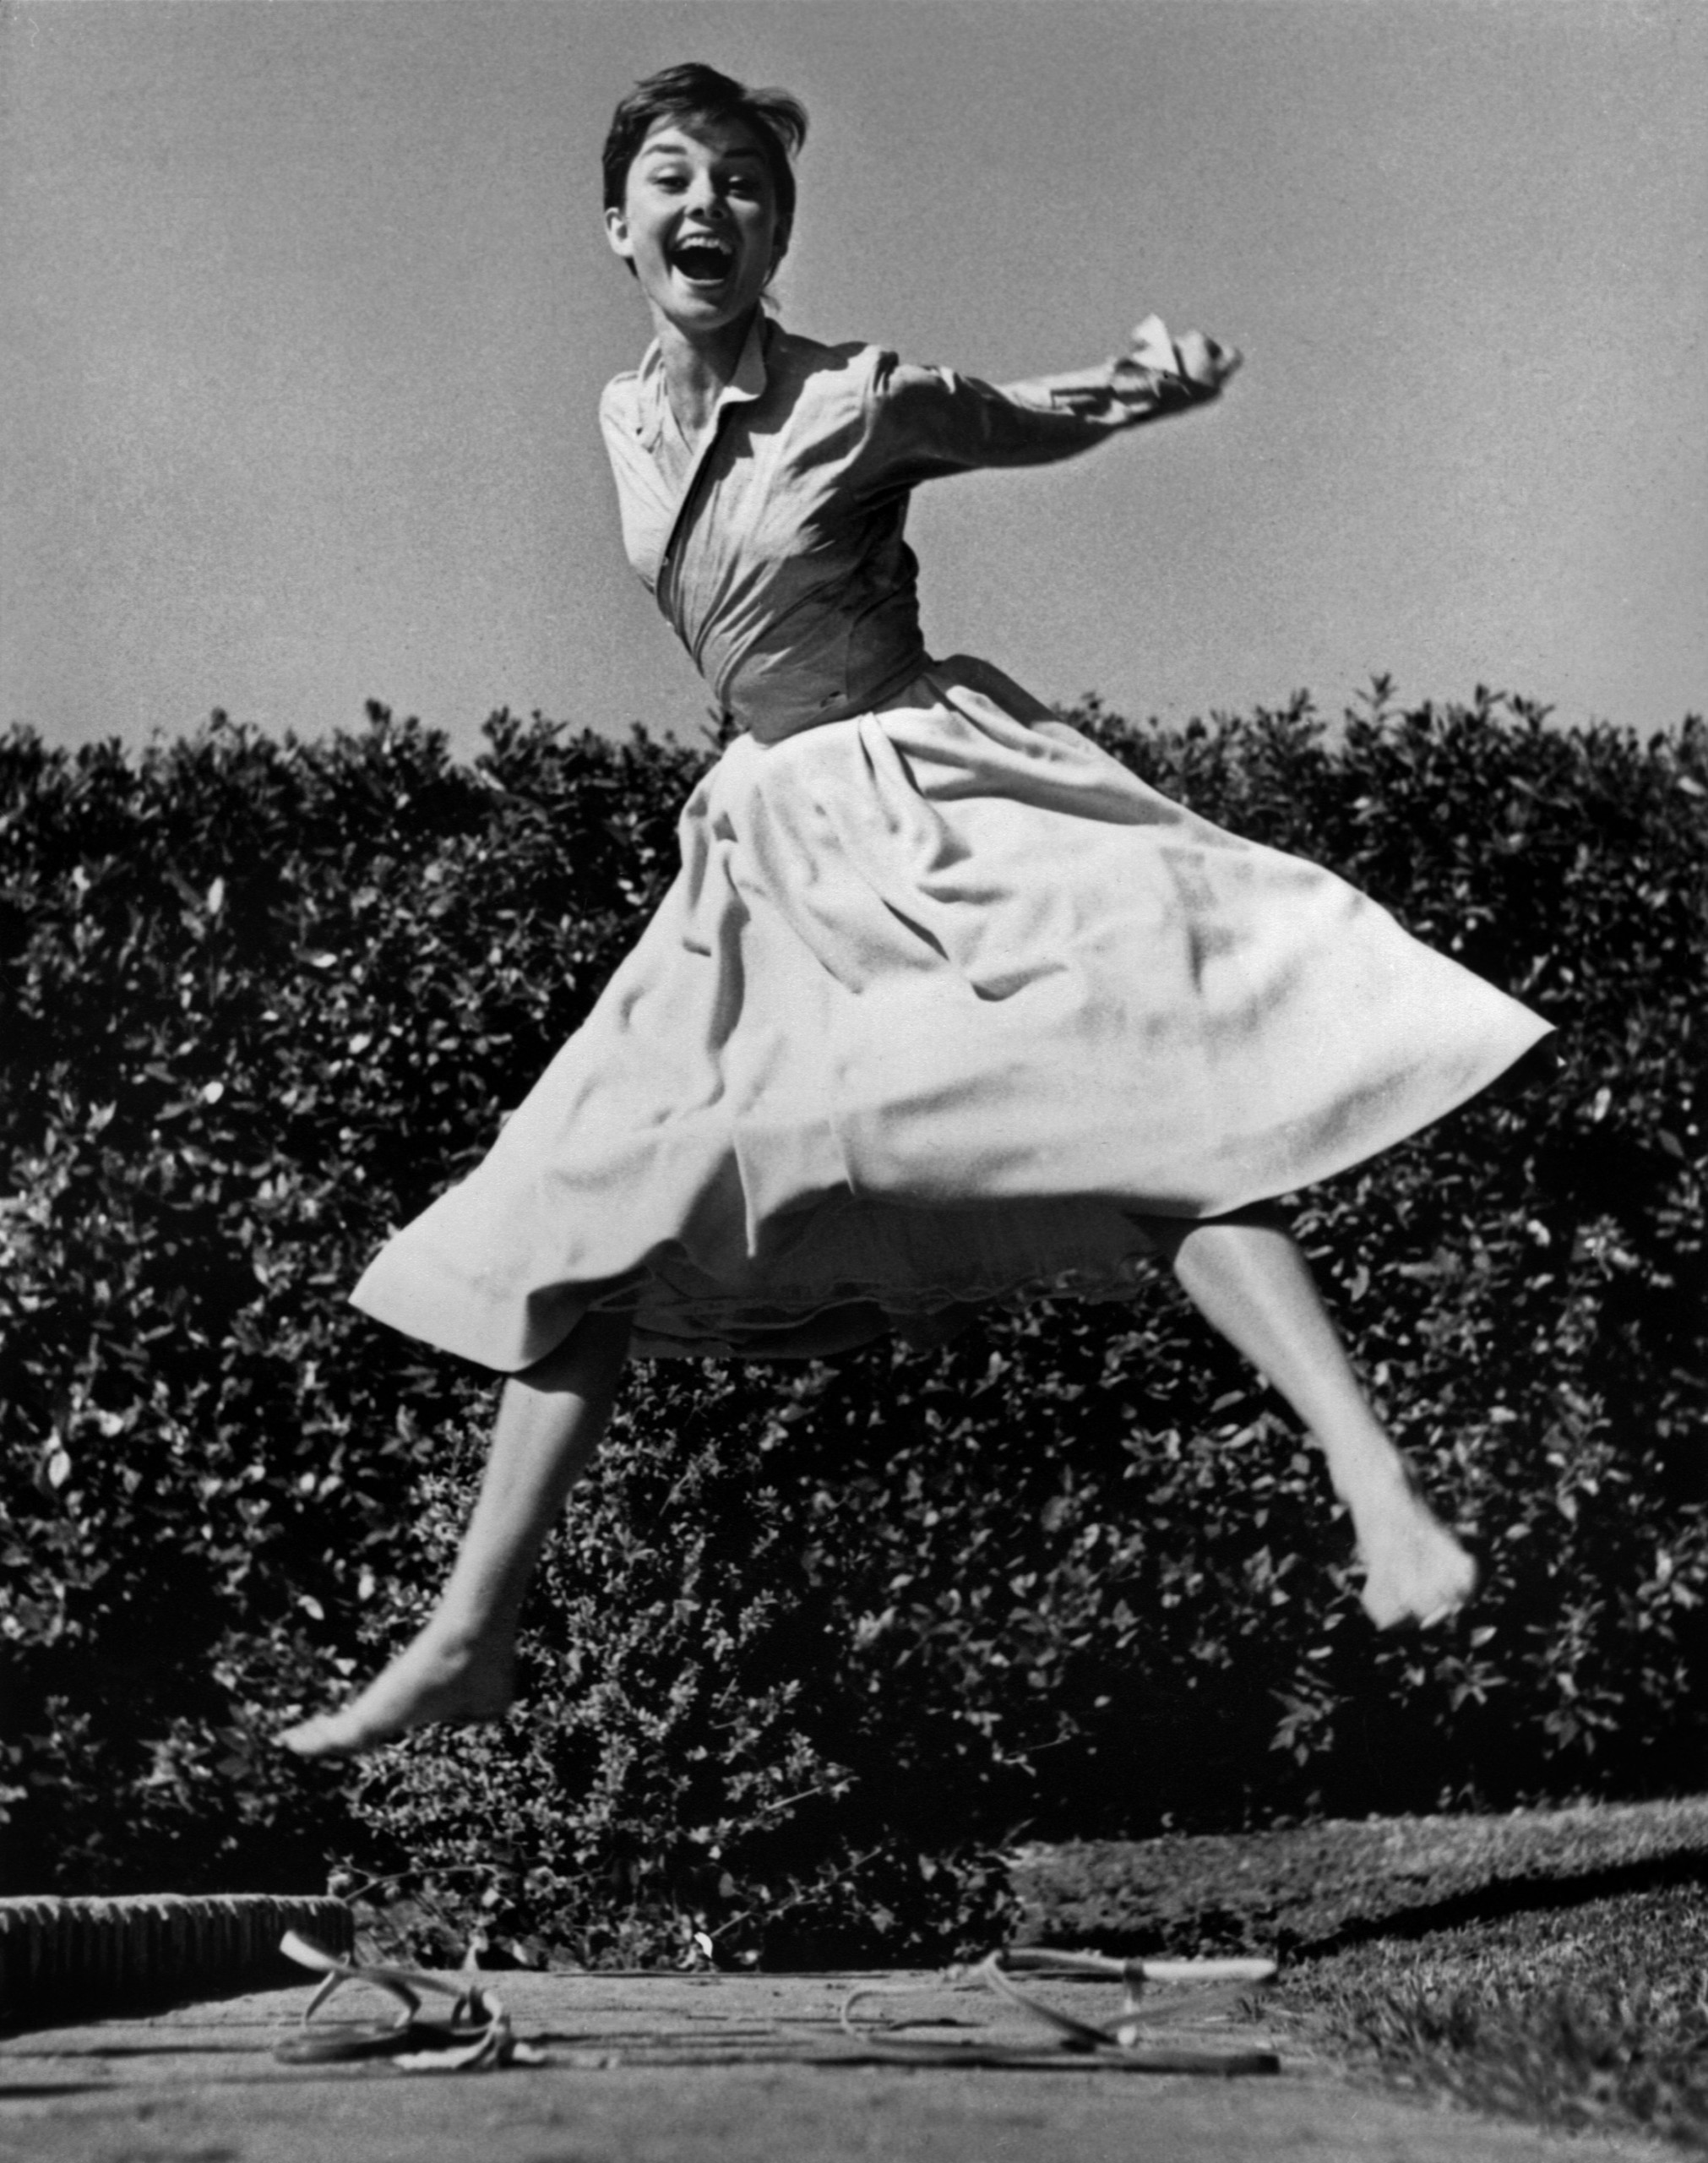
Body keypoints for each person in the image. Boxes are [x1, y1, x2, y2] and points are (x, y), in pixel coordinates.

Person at [280, 63, 1553, 1761]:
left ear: (779, 229)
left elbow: (1013, 414)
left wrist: (1141, 387)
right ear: (617, 229)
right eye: (674, 177)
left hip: (923, 798)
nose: (709, 204)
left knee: (1138, 1113)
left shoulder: (855, 395)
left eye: (745, 180)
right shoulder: (620, 414)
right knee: (583, 1197)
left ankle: (1371, 1475)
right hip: (761, 849)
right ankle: (466, 1635)